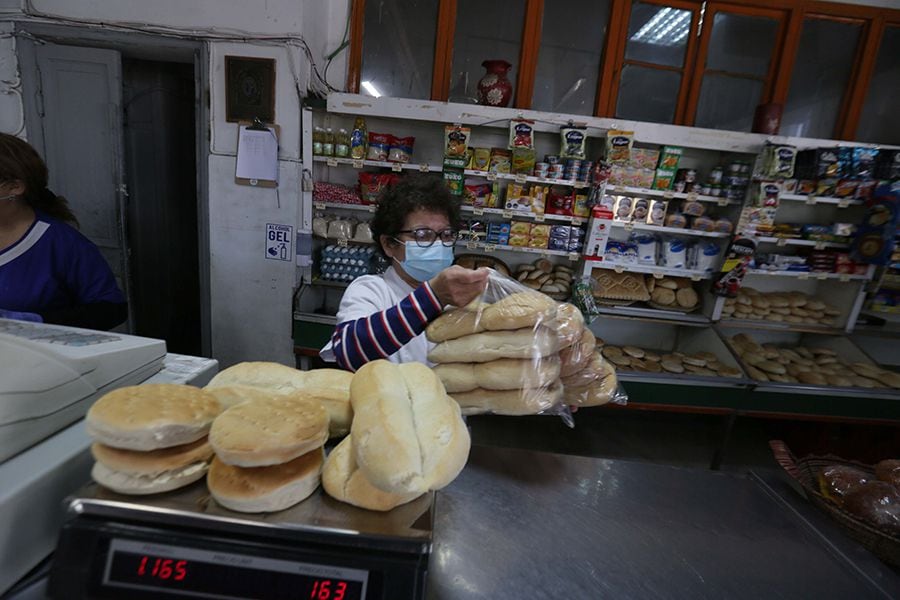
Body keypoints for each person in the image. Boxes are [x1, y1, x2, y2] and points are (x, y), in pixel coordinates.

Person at [321, 175, 489, 371]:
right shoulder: (371, 290)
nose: (437, 244)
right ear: (389, 244)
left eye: (446, 234)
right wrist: (432, 297)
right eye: (422, 235)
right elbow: (349, 352)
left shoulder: (462, 298)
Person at [0, 133, 127, 330]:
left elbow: (111, 310)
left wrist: (34, 322)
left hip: (39, 356)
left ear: (14, 187)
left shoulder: (60, 243)